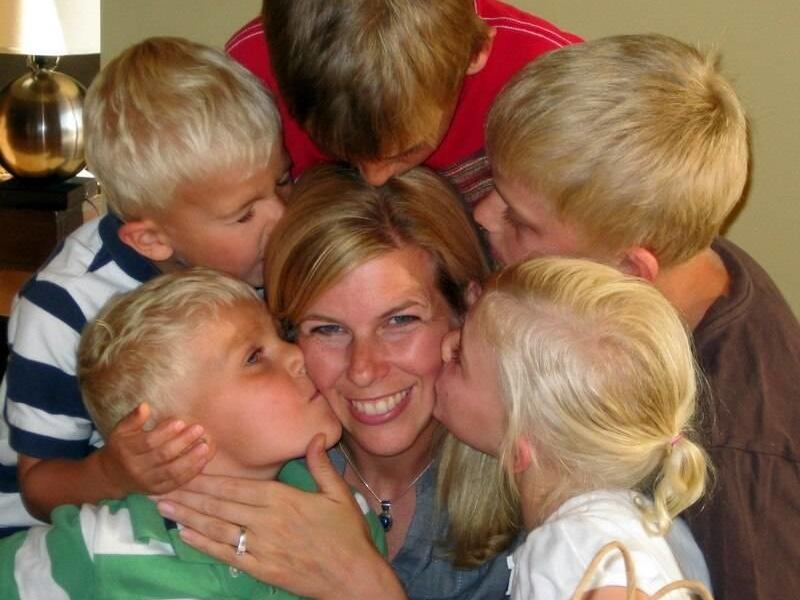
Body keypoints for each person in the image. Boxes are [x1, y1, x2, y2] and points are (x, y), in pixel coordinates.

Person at [474, 33, 800, 599]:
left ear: (629, 268)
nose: (482, 214)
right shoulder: (679, 251)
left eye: (519, 221)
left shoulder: (739, 455)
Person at [155, 165, 514, 599]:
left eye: (400, 320)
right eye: (327, 329)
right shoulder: (247, 458)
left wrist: (363, 586)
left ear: (468, 310)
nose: (363, 368)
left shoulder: (534, 483)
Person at [0, 37, 290, 537]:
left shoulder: (256, 261)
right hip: (52, 540)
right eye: (245, 214)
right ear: (152, 239)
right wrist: (112, 473)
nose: (282, 218)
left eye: (283, 182)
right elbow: (39, 489)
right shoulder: (63, 308)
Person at [0, 268, 385, 598]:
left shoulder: (345, 517)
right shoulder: (102, 545)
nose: (298, 354)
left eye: (280, 337)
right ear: (171, 434)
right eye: (254, 357)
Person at [436, 257, 712, 599]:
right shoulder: (631, 523)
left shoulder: (574, 545)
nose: (445, 347)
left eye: (460, 358)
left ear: (519, 451)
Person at [226, 0, 580, 203]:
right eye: (340, 150)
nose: (374, 179)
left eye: (406, 150)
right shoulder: (243, 80)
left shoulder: (553, 83)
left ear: (475, 55)